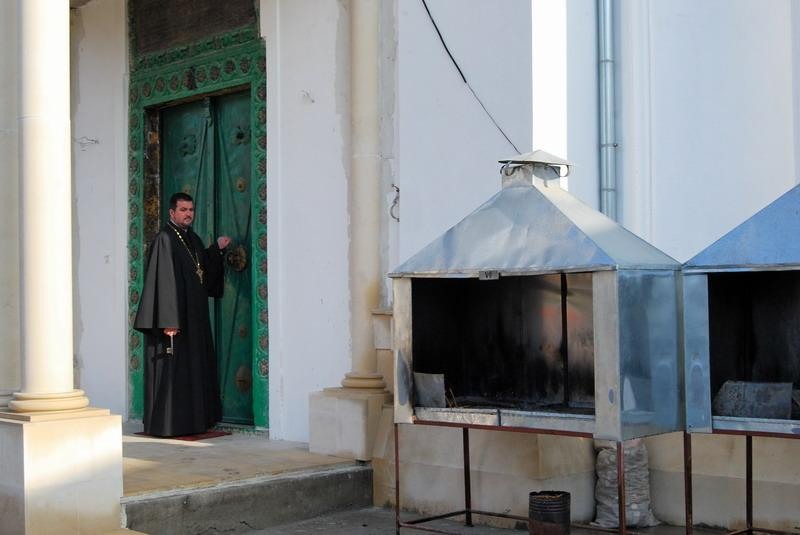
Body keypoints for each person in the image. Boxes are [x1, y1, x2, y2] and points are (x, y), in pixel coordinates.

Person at [134, 192, 231, 437]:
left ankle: (194, 422)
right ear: (172, 212)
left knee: (194, 370)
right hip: (175, 322)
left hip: (194, 319)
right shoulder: (165, 239)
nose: (188, 214)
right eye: (183, 210)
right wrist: (168, 321)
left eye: (191, 210)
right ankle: (170, 424)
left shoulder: (192, 238)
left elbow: (200, 268)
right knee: (175, 372)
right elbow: (163, 281)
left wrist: (216, 250)